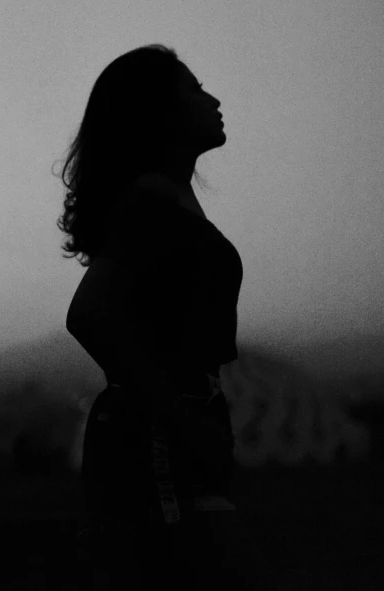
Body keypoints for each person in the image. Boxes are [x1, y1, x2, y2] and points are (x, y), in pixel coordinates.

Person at [54, 45, 272, 589]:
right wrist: (178, 417)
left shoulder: (170, 197)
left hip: (177, 425)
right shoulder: (150, 199)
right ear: (160, 111)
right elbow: (89, 314)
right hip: (155, 436)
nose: (214, 99)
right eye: (195, 89)